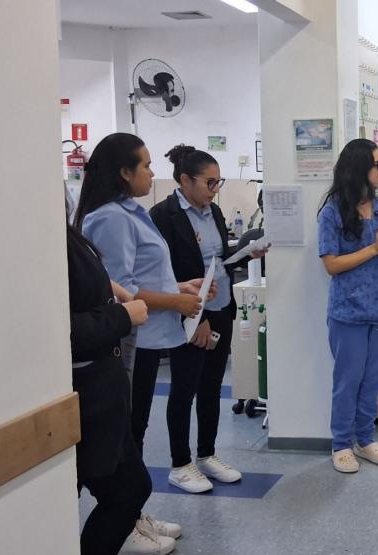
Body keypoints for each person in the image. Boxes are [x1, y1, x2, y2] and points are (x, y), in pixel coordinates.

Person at [74, 133, 211, 466]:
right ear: (125, 172)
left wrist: (180, 287)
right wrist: (175, 303)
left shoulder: (131, 211)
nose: (152, 174)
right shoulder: (111, 218)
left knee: (137, 424)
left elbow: (144, 275)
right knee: (130, 427)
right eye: (146, 166)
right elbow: (120, 290)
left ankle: (131, 496)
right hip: (134, 339)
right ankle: (126, 497)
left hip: (150, 334)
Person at [150, 145, 268, 493]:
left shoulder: (212, 211)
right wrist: (195, 316)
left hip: (221, 308)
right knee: (184, 389)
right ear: (186, 180)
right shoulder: (164, 215)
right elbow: (164, 271)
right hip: (188, 315)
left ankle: (206, 454)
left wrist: (247, 253)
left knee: (212, 387)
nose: (215, 189)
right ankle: (180, 463)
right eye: (210, 182)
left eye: (219, 182)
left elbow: (218, 259)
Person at [67, 218, 179, 554]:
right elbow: (60, 326)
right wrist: (122, 316)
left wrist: (109, 287)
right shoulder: (106, 218)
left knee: (131, 487)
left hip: (105, 388)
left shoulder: (67, 233)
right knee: (121, 490)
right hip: (86, 393)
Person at [317, 138, 378, 473]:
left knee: (373, 381)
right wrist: (374, 248)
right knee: (348, 381)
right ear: (358, 169)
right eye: (377, 165)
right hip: (349, 312)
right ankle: (341, 443)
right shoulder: (332, 212)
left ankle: (365, 439)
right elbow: (331, 265)